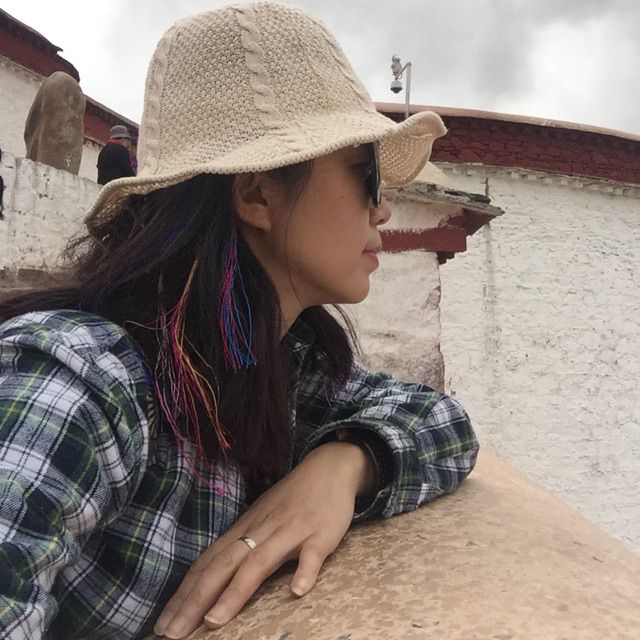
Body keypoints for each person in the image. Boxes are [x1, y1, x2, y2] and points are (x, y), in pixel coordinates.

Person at [0, 3, 478, 639]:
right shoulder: (81, 387)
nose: (383, 209)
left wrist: (346, 463)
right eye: (366, 176)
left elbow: (441, 420)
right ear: (256, 194)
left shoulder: (273, 361)